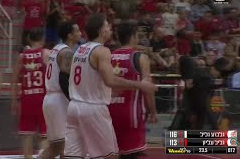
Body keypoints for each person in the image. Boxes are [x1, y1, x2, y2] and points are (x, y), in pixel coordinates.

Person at [64, 13, 158, 159]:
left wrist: (106, 90)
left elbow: (88, 77)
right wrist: (141, 85)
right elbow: (110, 80)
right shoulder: (102, 50)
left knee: (73, 156)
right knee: (110, 155)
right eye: (107, 26)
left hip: (74, 107)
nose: (110, 29)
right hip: (93, 108)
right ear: (101, 31)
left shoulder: (79, 50)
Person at [109, 23, 158, 159]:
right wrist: (153, 111)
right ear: (133, 37)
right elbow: (148, 89)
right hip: (131, 113)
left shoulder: (109, 56)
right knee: (130, 154)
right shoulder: (140, 57)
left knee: (112, 153)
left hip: (109, 111)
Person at [40, 21, 82, 159]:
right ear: (70, 35)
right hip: (59, 99)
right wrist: (73, 99)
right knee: (65, 145)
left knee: (56, 147)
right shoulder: (67, 52)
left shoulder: (56, 48)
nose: (80, 33)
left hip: (50, 99)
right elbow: (63, 79)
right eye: (77, 31)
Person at [11, 28, 50, 159]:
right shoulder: (46, 53)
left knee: (27, 134)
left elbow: (14, 80)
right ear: (42, 39)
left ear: (29, 39)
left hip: (26, 99)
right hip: (42, 98)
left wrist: (14, 100)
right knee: (44, 134)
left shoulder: (22, 56)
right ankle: (41, 155)